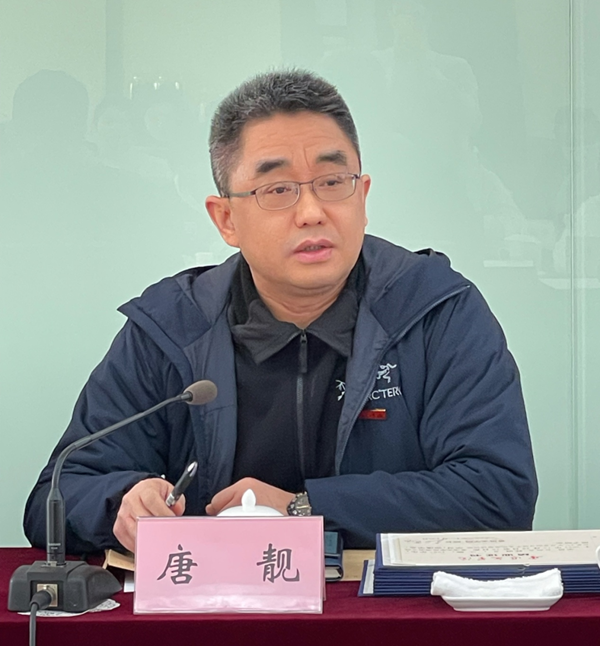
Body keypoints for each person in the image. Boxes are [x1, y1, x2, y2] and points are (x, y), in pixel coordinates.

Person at [24, 70, 537, 554]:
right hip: (216, 605)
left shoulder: (435, 310)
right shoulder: (173, 326)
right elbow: (55, 497)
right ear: (226, 219)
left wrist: (303, 510)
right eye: (278, 190)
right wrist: (122, 503)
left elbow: (499, 493)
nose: (312, 212)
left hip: (380, 606)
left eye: (332, 182)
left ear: (362, 197)